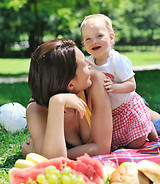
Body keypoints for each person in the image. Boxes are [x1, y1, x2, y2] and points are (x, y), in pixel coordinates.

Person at [22, 38, 113, 159]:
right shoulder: (37, 110)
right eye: (85, 65)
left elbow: (102, 148)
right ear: (70, 85)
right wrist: (57, 103)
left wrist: (39, 153)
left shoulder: (95, 81)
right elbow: (54, 163)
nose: (90, 64)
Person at [81, 13, 158, 151]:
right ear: (84, 43)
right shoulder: (90, 62)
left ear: (111, 38)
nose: (94, 41)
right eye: (88, 38)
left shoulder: (117, 61)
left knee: (137, 143)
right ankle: (149, 127)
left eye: (99, 36)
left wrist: (115, 87)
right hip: (111, 112)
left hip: (127, 107)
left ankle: (150, 127)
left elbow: (131, 85)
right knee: (121, 142)